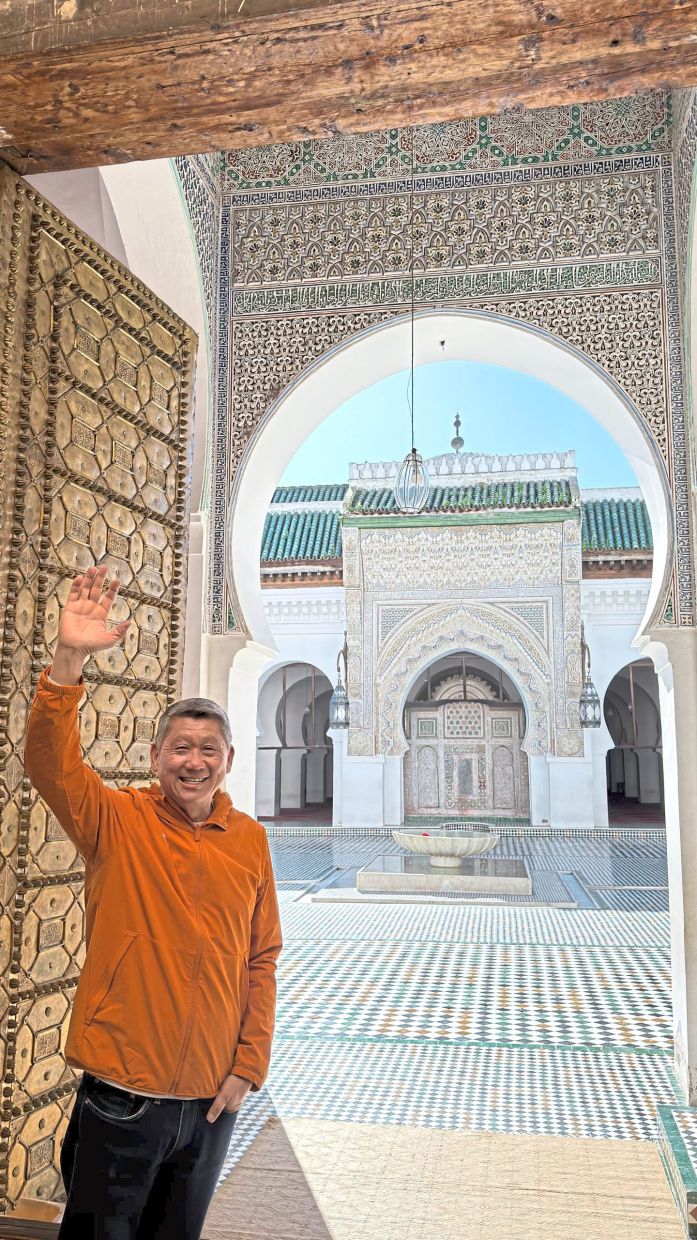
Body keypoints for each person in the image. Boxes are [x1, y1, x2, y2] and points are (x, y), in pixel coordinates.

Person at [24, 564, 283, 1239]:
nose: (192, 761)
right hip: (123, 1095)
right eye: (179, 748)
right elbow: (50, 763)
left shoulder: (249, 841)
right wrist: (69, 660)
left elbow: (262, 957)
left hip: (209, 1103)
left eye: (207, 749)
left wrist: (246, 1068)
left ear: (227, 760)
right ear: (155, 755)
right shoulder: (117, 821)